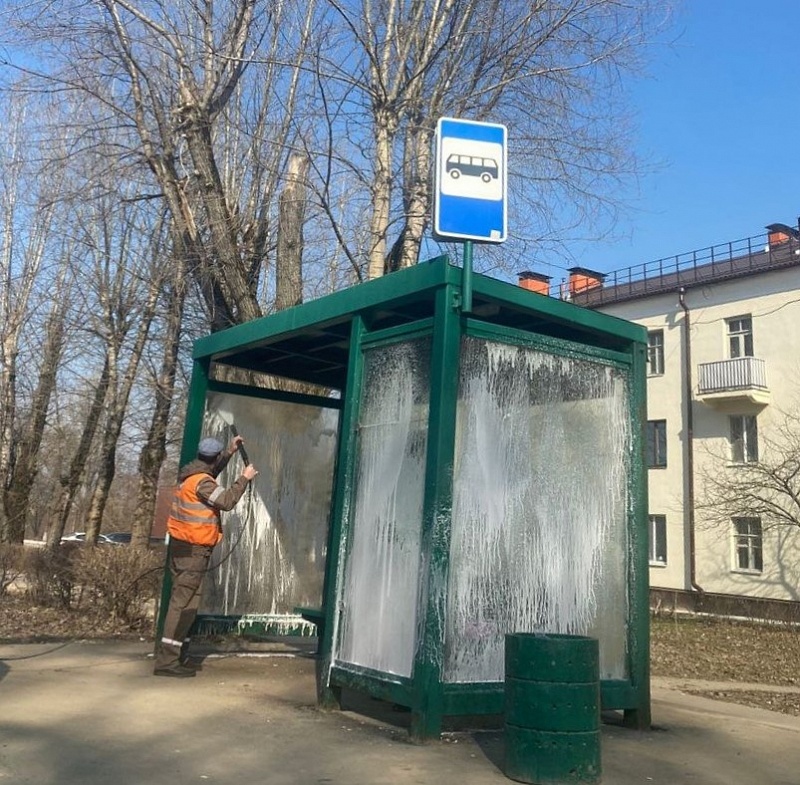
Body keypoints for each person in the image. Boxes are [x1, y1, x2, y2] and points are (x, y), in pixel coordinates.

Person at [154, 435, 258, 678]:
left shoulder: (192, 478)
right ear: (213, 458)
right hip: (193, 552)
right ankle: (166, 661)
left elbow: (211, 472)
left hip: (183, 550)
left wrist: (230, 452)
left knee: (188, 605)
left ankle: (174, 656)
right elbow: (227, 501)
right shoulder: (202, 483)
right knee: (181, 605)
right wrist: (244, 478)